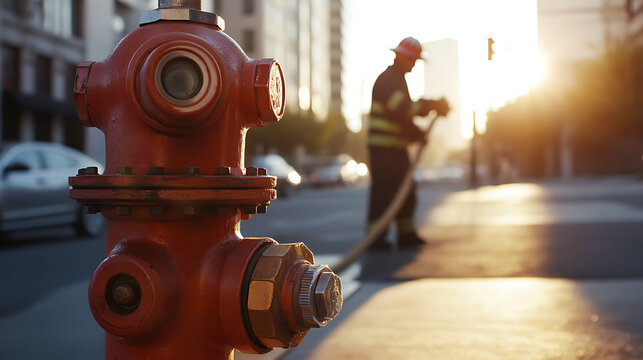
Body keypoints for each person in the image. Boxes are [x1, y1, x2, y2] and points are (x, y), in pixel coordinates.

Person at [367, 37, 449, 250]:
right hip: (384, 150)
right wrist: (430, 105)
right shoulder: (388, 80)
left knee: (406, 191)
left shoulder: (397, 80)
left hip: (395, 149)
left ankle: (406, 234)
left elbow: (402, 117)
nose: (414, 65)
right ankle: (375, 238)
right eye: (413, 61)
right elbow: (403, 109)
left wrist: (417, 133)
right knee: (385, 193)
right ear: (403, 57)